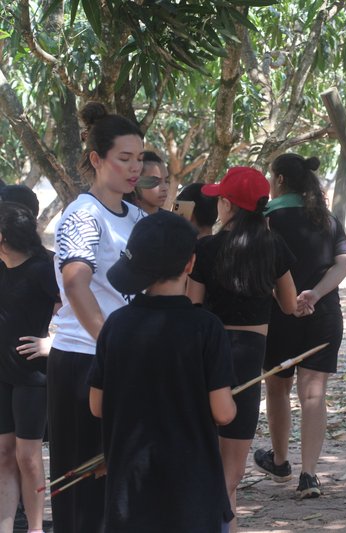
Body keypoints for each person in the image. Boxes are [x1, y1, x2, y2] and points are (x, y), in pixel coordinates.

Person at [87, 211, 236, 532]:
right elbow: (223, 412)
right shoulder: (207, 328)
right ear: (190, 264)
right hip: (193, 493)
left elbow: (96, 405)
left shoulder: (116, 325)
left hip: (130, 492)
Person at [49, 101, 145, 533]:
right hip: (84, 360)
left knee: (121, 484)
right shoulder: (83, 215)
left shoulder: (137, 217)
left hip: (124, 360)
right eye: (124, 158)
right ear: (96, 158)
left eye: (139, 158)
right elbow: (76, 284)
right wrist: (111, 346)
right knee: (84, 490)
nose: (135, 168)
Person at [187, 166, 297, 532]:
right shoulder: (273, 245)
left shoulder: (206, 248)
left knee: (206, 468)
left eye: (220, 199)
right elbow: (289, 304)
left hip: (208, 352)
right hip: (250, 356)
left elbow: (192, 307)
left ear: (228, 205)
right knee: (229, 479)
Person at [251, 154, 346, 499]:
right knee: (313, 393)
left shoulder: (266, 219)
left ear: (279, 179)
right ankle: (309, 474)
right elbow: (343, 264)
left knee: (277, 388)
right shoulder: (326, 218)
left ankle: (280, 461)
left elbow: (260, 267)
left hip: (277, 314)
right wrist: (315, 294)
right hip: (323, 313)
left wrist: (288, 299)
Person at [0, 202, 59, 533]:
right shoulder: (2, 268)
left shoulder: (42, 269)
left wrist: (52, 342)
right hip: (2, 375)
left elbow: (77, 307)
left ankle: (35, 529)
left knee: (28, 457)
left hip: (32, 378)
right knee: (4, 455)